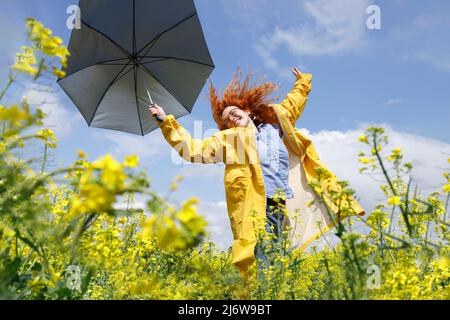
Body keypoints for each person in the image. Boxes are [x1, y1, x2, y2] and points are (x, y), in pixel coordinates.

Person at [149, 67, 365, 277]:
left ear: (248, 111)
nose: (232, 118)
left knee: (278, 260)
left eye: (234, 112)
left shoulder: (274, 127)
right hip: (255, 207)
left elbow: (292, 106)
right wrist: (165, 121)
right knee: (261, 261)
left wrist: (302, 83)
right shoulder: (229, 140)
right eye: (227, 120)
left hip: (281, 206)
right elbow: (192, 150)